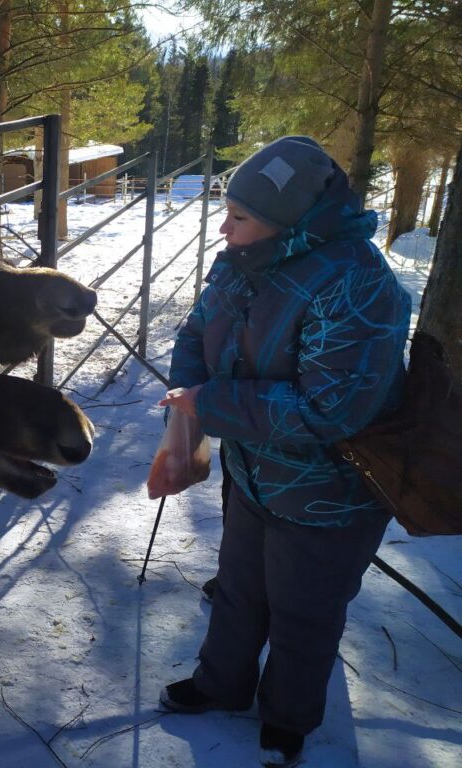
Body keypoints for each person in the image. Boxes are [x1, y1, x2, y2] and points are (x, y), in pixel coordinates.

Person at [156, 136, 411, 767]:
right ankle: (221, 685)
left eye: (238, 217)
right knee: (240, 588)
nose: (223, 227)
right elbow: (197, 330)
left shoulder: (358, 286)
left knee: (304, 610)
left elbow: (331, 409)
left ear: (290, 222)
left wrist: (209, 405)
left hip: (331, 492)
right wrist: (189, 392)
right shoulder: (243, 260)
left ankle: (288, 718)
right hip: (256, 471)